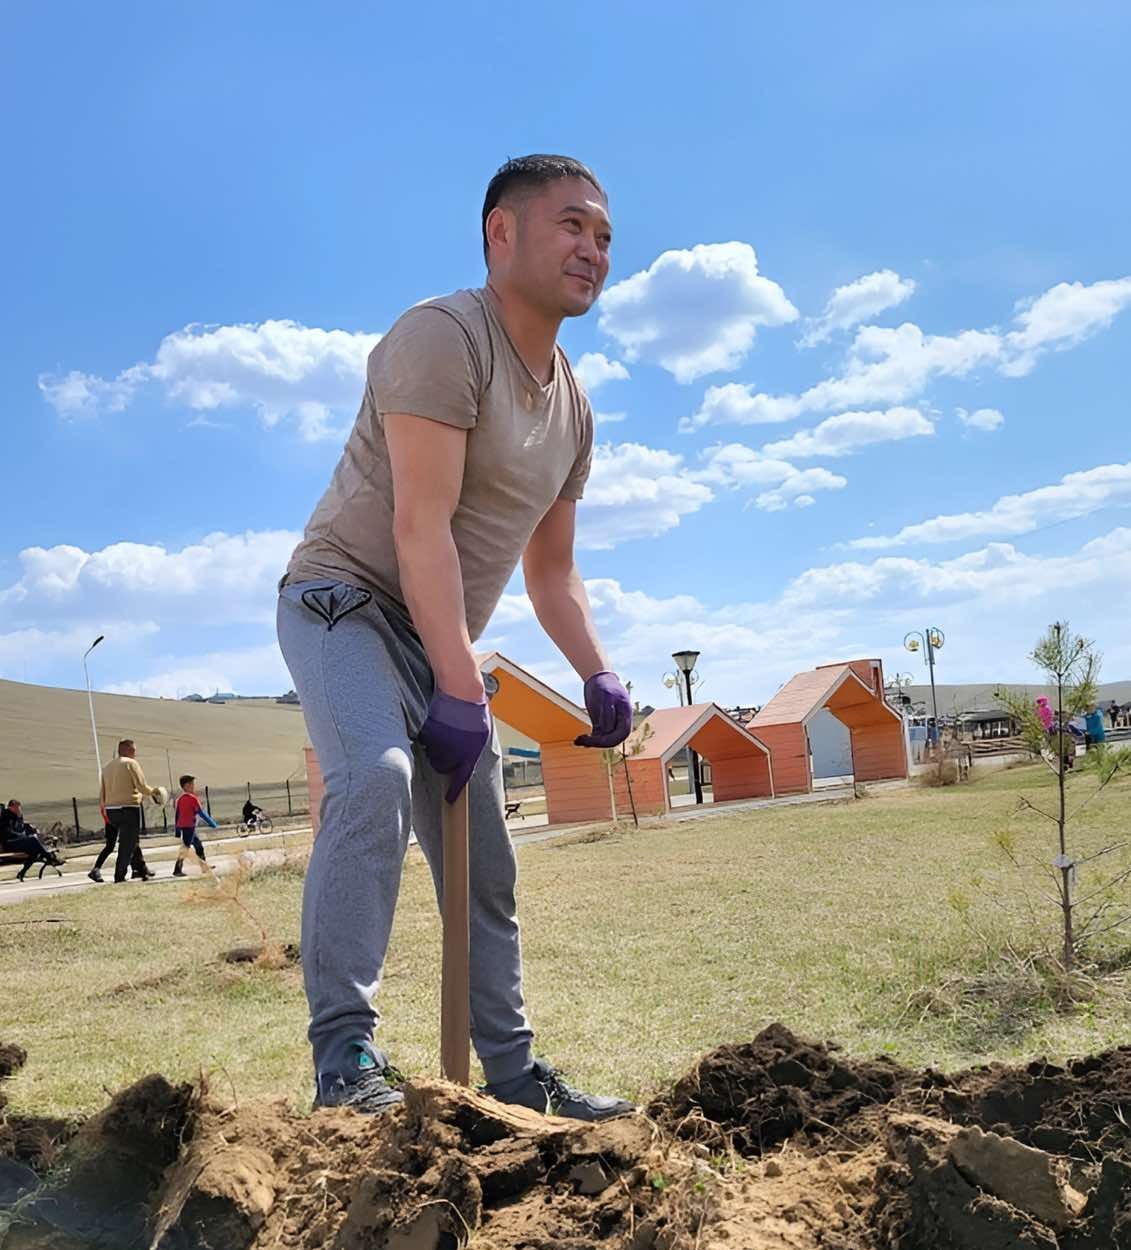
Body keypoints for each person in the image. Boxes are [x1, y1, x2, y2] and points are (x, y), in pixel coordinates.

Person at [278, 154, 633, 1120]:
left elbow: (551, 573)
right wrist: (460, 681)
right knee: (376, 778)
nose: (593, 250)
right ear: (500, 233)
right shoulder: (442, 337)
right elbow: (418, 525)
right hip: (343, 604)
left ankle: (514, 1079)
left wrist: (597, 672)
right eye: (571, 225)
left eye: (604, 236)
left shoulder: (574, 409)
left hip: (436, 636)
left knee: (484, 859)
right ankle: (345, 1061)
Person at [98, 739, 162, 883]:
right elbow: (141, 786)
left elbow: (102, 792)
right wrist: (155, 793)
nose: (135, 753)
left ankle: (141, 870)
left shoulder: (106, 768)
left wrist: (104, 809)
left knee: (132, 841)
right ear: (126, 750)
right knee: (127, 845)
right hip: (128, 808)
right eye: (133, 750)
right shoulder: (131, 763)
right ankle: (119, 876)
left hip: (111, 810)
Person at [0, 800, 63, 880]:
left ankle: (22, 873)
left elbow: (22, 827)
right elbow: (7, 832)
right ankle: (50, 858)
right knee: (33, 839)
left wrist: (20, 819)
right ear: (10, 807)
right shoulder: (5, 817)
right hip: (10, 843)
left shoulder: (17, 816)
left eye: (19, 808)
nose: (18, 809)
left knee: (34, 850)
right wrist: (22, 836)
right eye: (16, 808)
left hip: (19, 841)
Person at [174, 775, 218, 876]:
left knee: (198, 846)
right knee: (185, 849)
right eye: (191, 784)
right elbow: (201, 812)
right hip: (189, 827)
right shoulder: (193, 799)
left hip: (186, 828)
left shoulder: (180, 800)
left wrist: (177, 831)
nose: (193, 786)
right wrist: (212, 823)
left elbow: (177, 815)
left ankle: (204, 866)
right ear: (185, 786)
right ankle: (177, 870)